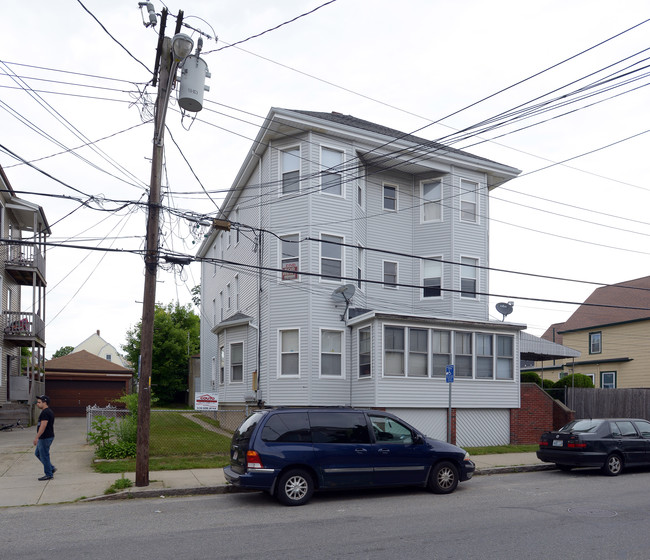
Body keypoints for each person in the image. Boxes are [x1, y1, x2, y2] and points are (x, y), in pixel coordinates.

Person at [33, 395, 56, 481]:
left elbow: (43, 426)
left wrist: (36, 437)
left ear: (44, 402)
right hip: (45, 437)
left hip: (45, 437)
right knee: (38, 454)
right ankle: (51, 468)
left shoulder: (46, 412)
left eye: (39, 402)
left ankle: (49, 474)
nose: (37, 404)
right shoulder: (46, 411)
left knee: (44, 456)